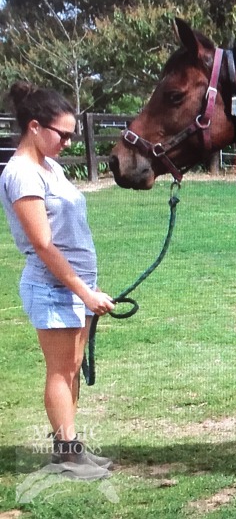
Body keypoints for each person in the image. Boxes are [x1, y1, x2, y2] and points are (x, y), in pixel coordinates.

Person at [0, 82, 116, 480]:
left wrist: (87, 287)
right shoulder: (23, 175)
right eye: (62, 134)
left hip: (75, 285)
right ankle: (67, 455)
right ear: (34, 127)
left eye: (71, 135)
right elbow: (44, 245)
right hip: (53, 286)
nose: (67, 142)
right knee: (60, 370)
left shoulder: (51, 167)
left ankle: (68, 448)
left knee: (72, 367)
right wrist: (84, 291)